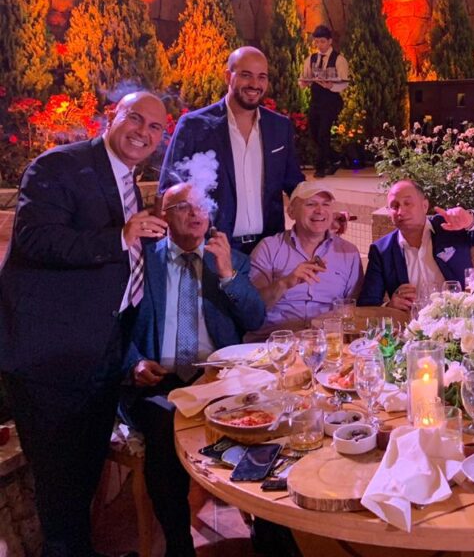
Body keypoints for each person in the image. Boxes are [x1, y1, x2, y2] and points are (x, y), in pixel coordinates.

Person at [0, 92, 169, 556]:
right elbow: (35, 239)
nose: (144, 132)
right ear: (113, 117)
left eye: (156, 127)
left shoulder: (129, 181)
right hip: (50, 358)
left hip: (100, 352)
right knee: (60, 488)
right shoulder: (59, 166)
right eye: (136, 118)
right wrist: (120, 235)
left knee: (82, 479)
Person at [122, 182, 265, 557]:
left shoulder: (230, 258)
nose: (196, 212)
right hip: (158, 379)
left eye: (202, 205)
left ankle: (269, 534)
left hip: (218, 378)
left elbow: (254, 317)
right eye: (184, 206)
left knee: (268, 424)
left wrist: (228, 274)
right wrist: (134, 360)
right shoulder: (142, 259)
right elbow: (115, 324)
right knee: (164, 423)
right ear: (163, 215)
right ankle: (179, 544)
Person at [160, 46, 305, 254]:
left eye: (262, 77)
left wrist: (321, 209)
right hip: (212, 249)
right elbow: (169, 188)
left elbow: (295, 184)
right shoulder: (194, 126)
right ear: (228, 76)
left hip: (268, 251)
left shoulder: (279, 127)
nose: (255, 84)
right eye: (246, 75)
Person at [358, 179, 474, 310]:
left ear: (424, 206)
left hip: (460, 322)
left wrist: (470, 220)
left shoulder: (448, 227)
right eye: (394, 206)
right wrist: (390, 306)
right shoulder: (382, 250)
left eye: (407, 203)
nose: (401, 211)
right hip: (413, 331)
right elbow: (367, 304)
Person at [249, 181, 363, 330]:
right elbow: (251, 309)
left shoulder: (349, 253)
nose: (320, 210)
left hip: (328, 341)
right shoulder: (268, 248)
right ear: (291, 212)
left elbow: (353, 308)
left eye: (326, 204)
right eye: (310, 204)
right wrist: (284, 283)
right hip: (276, 340)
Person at [299, 25, 349, 178]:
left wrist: (331, 85)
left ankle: (320, 168)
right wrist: (304, 83)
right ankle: (335, 158)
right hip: (316, 100)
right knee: (314, 133)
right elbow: (302, 78)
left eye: (322, 42)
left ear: (329, 41)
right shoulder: (311, 59)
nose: (319, 45)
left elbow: (345, 82)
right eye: (317, 42)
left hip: (332, 100)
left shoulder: (339, 59)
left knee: (323, 133)